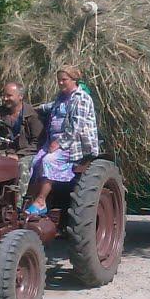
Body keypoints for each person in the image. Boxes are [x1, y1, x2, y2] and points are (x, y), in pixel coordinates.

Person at [25, 66, 100, 216]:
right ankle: (28, 201)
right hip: (54, 142)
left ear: (74, 80)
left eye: (64, 80)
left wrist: (59, 143)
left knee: (49, 161)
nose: (60, 83)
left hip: (74, 145)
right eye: (59, 80)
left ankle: (41, 202)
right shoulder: (62, 97)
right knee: (35, 162)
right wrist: (29, 109)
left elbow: (76, 128)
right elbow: (50, 107)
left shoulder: (82, 98)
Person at [0, 82, 45, 200]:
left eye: (9, 96)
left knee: (22, 166)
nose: (5, 99)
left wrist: (18, 155)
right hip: (5, 152)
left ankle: (18, 203)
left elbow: (37, 142)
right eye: (4, 96)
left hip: (26, 153)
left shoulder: (32, 115)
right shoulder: (0, 113)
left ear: (20, 96)